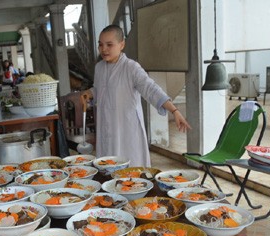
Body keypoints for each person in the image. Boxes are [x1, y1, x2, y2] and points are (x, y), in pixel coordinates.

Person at [81, 25, 191, 167]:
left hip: (126, 128)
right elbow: (100, 90)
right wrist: (90, 93)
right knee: (107, 168)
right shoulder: (99, 68)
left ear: (122, 45)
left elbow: (151, 89)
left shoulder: (131, 68)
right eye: (100, 45)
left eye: (109, 45)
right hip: (106, 127)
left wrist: (174, 110)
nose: (103, 49)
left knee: (131, 171)